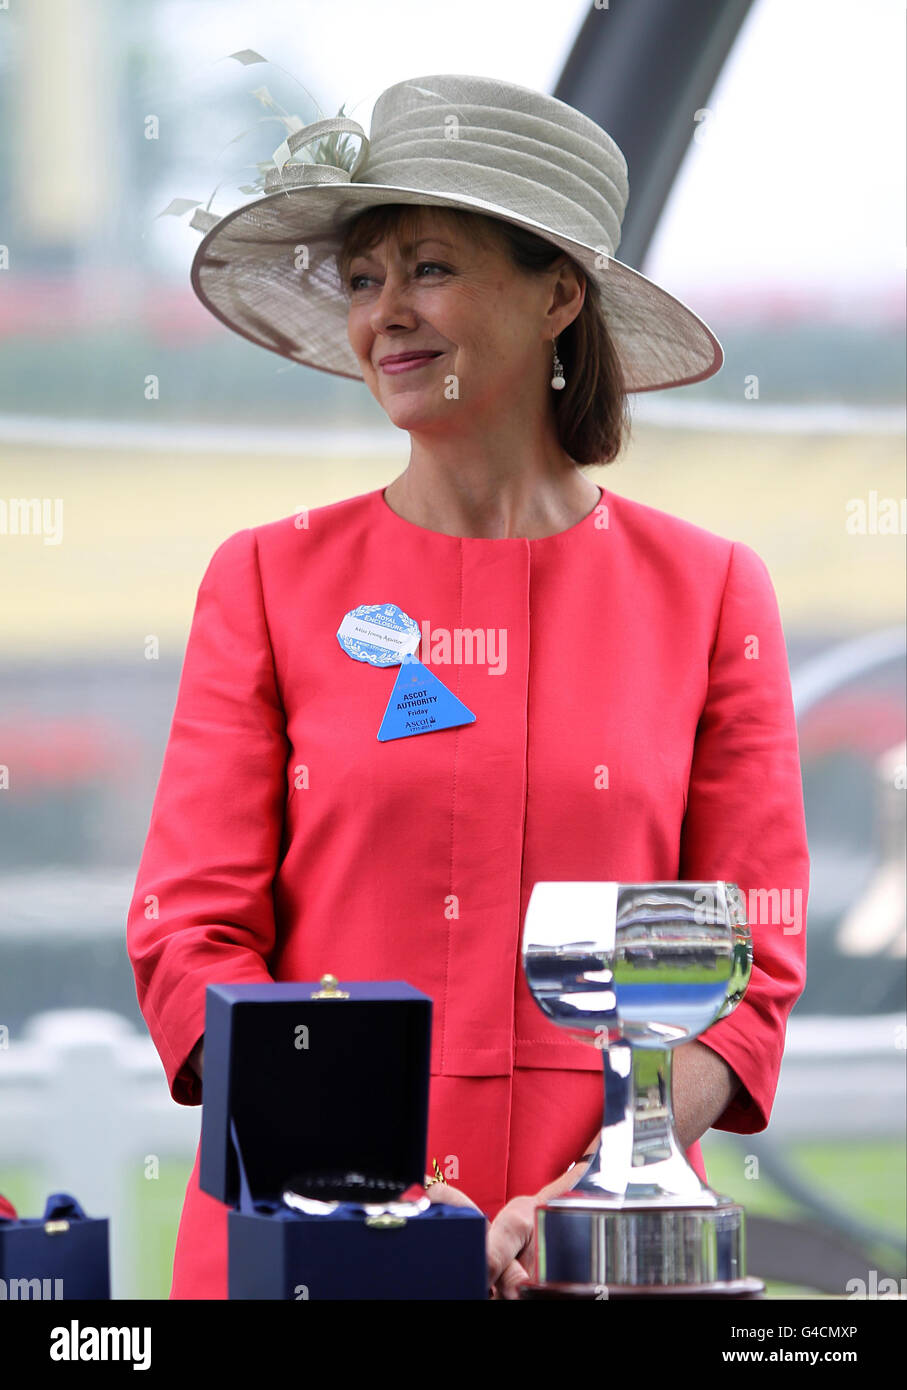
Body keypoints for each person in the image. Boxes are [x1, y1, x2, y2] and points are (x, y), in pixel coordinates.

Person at [128, 72, 809, 1300]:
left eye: (428, 268)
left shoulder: (711, 592)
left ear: (557, 292)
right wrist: (376, 1184)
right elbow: (192, 939)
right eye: (362, 279)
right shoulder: (266, 579)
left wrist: (594, 1192)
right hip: (310, 1248)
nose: (386, 313)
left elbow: (750, 965)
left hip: (605, 1261)